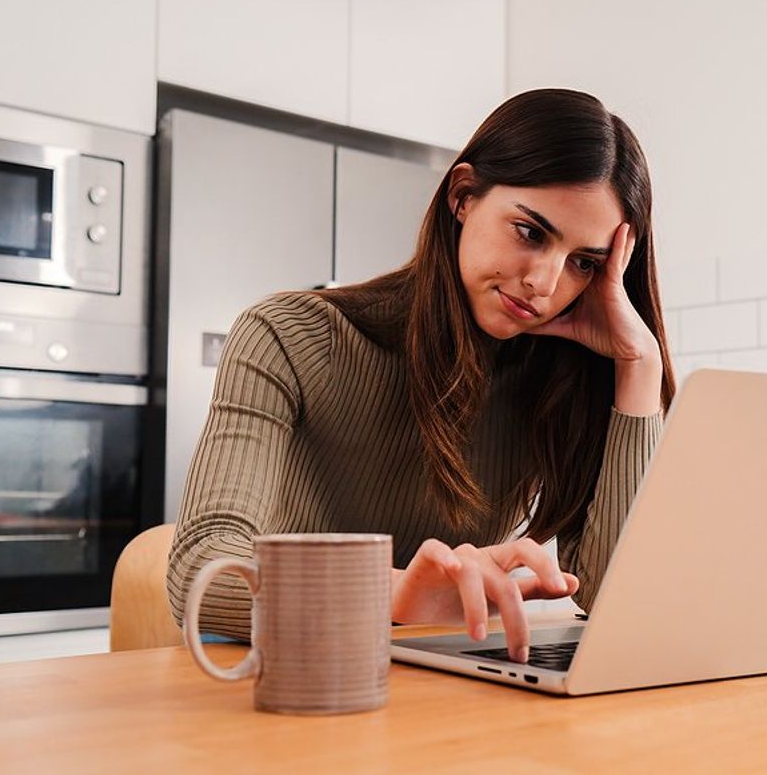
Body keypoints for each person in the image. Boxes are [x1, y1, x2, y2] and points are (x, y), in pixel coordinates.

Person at [167, 88, 676, 664]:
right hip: (290, 669)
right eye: (531, 233)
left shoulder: (560, 377)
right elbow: (201, 571)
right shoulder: (286, 335)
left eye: (583, 263)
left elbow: (620, 598)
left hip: (443, 674)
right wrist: (395, 594)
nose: (545, 281)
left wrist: (639, 369)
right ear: (462, 196)